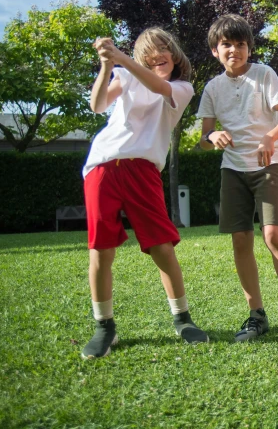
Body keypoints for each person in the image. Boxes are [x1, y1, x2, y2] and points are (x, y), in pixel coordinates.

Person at [82, 28, 208, 359]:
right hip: (103, 167)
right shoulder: (123, 75)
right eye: (150, 52)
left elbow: (158, 86)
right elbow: (97, 105)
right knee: (101, 249)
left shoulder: (181, 88)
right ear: (142, 57)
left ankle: (183, 319)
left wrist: (121, 58)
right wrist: (107, 66)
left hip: (143, 170)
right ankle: (104, 327)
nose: (158, 55)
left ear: (175, 53)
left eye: (164, 47)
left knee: (161, 247)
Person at [197, 14, 278, 344]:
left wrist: (269, 138)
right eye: (226, 45)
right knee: (241, 240)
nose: (234, 50)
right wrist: (212, 136)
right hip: (232, 169)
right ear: (215, 51)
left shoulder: (264, 75)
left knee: (272, 234)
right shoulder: (212, 88)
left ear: (249, 47)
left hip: (268, 164)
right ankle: (256, 315)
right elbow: (203, 139)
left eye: (241, 44)